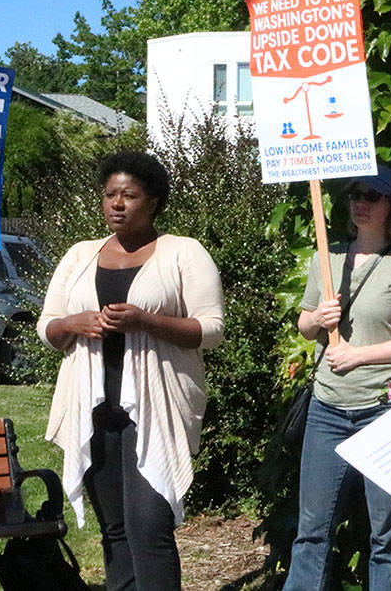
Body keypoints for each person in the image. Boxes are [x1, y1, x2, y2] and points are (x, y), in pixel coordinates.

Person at [38, 151, 224, 591]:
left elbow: (212, 329)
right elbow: (48, 325)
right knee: (115, 532)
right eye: (110, 195)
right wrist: (72, 324)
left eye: (129, 195)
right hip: (94, 406)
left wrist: (146, 321)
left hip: (156, 409)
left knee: (149, 529)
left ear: (154, 201)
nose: (116, 203)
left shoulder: (183, 252)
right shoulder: (81, 254)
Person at [284, 167, 391, 591]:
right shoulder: (326, 257)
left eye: (372, 195)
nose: (360, 202)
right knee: (312, 531)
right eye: (354, 194)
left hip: (387, 409)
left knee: (386, 536)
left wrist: (360, 356)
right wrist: (317, 318)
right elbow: (304, 324)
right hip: (327, 409)